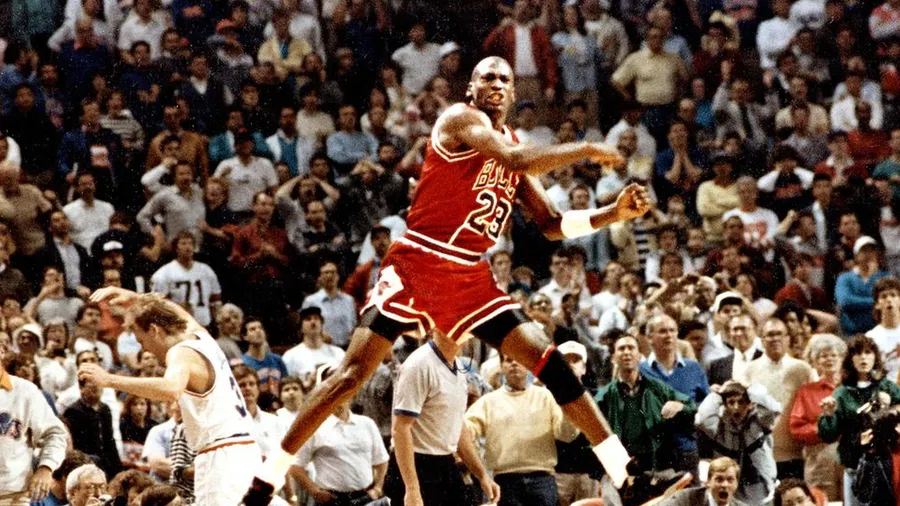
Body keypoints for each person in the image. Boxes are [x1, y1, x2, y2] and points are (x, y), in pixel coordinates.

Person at [242, 56, 649, 505]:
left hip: (469, 272)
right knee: (351, 375)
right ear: (471, 88)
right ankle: (266, 480)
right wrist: (586, 148)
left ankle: (625, 476)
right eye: (487, 77)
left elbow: (551, 223)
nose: (496, 83)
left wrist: (612, 213)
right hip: (421, 259)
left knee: (550, 362)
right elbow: (516, 159)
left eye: (505, 79)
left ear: (513, 93)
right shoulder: (461, 119)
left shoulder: (513, 143)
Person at [77, 287, 262, 504]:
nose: (146, 349)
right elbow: (179, 314)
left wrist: (109, 380)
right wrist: (136, 299)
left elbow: (170, 388)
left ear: (154, 330)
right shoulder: (202, 337)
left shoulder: (180, 352)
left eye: (142, 341)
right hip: (246, 449)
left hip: (221, 456)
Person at [383, 331, 499, 506]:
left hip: (444, 462)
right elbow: (400, 428)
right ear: (436, 328)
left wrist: (482, 474)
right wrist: (412, 489)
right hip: (415, 464)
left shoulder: (458, 367)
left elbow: (457, 426)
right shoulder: (418, 365)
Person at [465, 354, 579, 506]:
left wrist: (567, 408)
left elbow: (567, 435)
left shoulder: (546, 397)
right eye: (508, 360)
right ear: (501, 366)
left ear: (528, 364)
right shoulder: (488, 402)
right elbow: (465, 431)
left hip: (542, 479)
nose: (514, 363)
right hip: (505, 481)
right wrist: (478, 465)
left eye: (518, 359)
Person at [290, 364, 389, 506]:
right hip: (333, 500)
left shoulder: (366, 424)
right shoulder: (314, 428)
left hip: (366, 498)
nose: (340, 390)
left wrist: (378, 487)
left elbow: (381, 460)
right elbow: (295, 466)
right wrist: (315, 491)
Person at [819, 335, 900, 506]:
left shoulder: (888, 387)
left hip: (886, 465)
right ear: (850, 359)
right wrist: (828, 415)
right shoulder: (842, 393)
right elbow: (828, 435)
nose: (863, 358)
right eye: (858, 353)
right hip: (855, 466)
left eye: (868, 352)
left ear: (875, 357)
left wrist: (891, 408)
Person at [0, 338, 68, 506]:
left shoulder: (25, 391)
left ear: (2, 351)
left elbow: (55, 434)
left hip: (12, 497)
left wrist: (46, 467)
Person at [695, 381, 781, 504]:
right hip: (730, 484)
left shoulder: (760, 422)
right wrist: (716, 395)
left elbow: (772, 410)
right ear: (725, 405)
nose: (736, 407)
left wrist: (751, 388)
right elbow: (703, 419)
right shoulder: (719, 426)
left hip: (758, 484)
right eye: (731, 402)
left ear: (749, 404)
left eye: (741, 402)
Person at [658, 457, 748, 506]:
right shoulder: (686, 498)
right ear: (708, 482)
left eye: (730, 480)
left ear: (736, 484)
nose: (724, 485)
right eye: (719, 479)